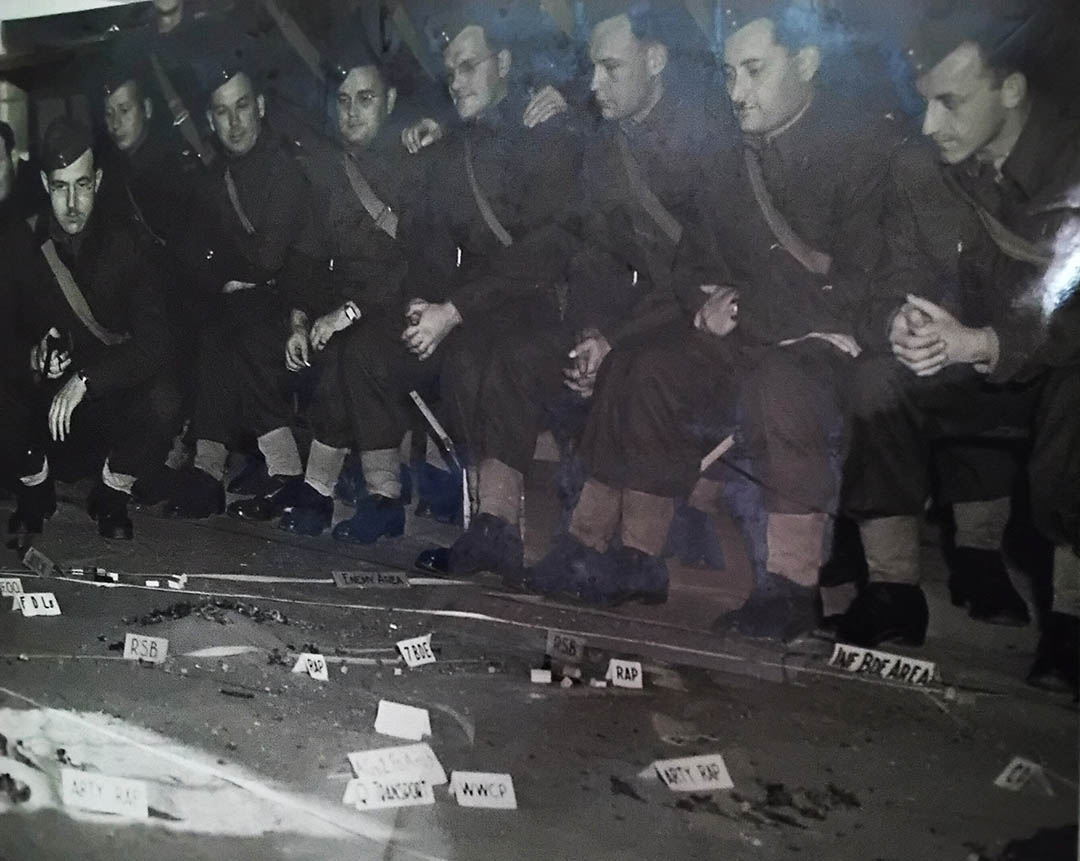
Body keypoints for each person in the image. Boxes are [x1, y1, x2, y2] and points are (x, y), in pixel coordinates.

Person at [528, 0, 900, 638]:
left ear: (805, 63)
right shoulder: (732, 159)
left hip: (829, 348)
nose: (737, 91)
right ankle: (628, 557)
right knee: (642, 367)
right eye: (729, 75)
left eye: (753, 72)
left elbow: (863, 284)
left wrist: (746, 303)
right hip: (745, 333)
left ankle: (791, 587)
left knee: (781, 387)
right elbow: (689, 263)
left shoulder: (861, 155)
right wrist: (708, 302)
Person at [443, 0, 727, 583]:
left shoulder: (711, 142)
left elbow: (701, 274)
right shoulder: (607, 148)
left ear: (655, 60)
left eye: (610, 69)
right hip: (627, 326)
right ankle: (496, 525)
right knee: (519, 357)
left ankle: (630, 554)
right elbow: (588, 253)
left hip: (698, 325)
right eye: (592, 68)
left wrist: (612, 341)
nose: (594, 83)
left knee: (638, 369)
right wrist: (589, 335)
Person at [836, 1, 1079, 671]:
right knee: (876, 377)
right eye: (923, 102)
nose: (928, 124)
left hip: (1054, 373)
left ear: (1012, 89)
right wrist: (900, 321)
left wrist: (981, 342)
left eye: (950, 102)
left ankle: (1071, 616)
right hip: (970, 369)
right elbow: (886, 276)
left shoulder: (1072, 163)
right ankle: (892, 590)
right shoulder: (925, 168)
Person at [313, 6, 581, 545]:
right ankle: (384, 497)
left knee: (478, 357)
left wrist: (451, 311)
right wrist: (421, 299)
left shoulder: (544, 130)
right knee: (369, 349)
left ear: (503, 63)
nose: (457, 82)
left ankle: (496, 524)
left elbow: (546, 250)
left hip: (533, 308)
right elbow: (430, 240)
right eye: (451, 71)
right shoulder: (448, 147)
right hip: (464, 307)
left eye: (469, 66)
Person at [273, 45, 431, 538]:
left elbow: (420, 261)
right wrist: (299, 317)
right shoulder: (329, 170)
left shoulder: (415, 164)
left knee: (356, 349)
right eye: (343, 99)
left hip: (407, 309)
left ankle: (378, 495)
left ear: (389, 102)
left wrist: (348, 311)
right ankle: (322, 495)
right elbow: (308, 255)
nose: (352, 111)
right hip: (350, 312)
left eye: (366, 98)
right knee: (336, 347)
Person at [4, 118, 179, 547]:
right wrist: (31, 356)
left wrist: (86, 380)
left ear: (97, 181)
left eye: (82, 185)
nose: (73, 203)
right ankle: (34, 485)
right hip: (41, 415)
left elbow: (157, 342)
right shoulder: (17, 243)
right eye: (61, 187)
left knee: (166, 396)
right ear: (45, 184)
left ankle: (111, 490)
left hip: (104, 407)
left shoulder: (127, 244)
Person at [163, 64, 319, 522]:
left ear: (262, 108)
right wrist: (223, 274)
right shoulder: (214, 179)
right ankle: (208, 474)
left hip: (300, 302)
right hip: (247, 304)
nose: (234, 122)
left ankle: (285, 471)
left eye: (243, 106)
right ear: (211, 121)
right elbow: (191, 255)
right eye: (222, 112)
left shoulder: (284, 170)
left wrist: (223, 269)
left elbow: (269, 259)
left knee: (243, 333)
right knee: (215, 334)